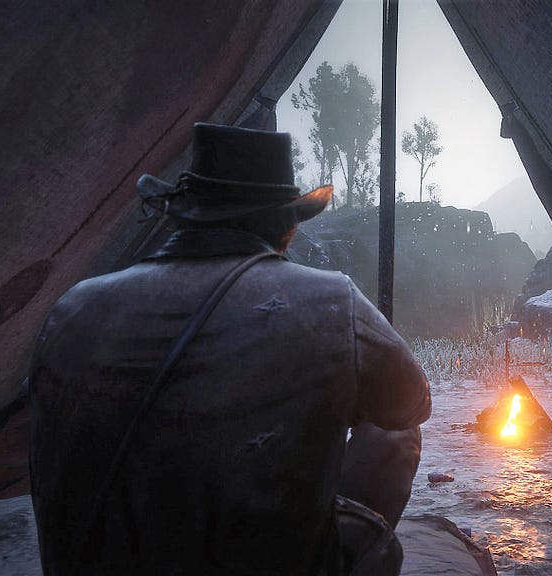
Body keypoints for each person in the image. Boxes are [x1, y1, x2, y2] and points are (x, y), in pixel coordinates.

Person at [27, 123, 431, 575]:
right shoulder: (331, 299)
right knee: (395, 430)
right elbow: (412, 403)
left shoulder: (74, 305)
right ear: (287, 228)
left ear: (182, 214)